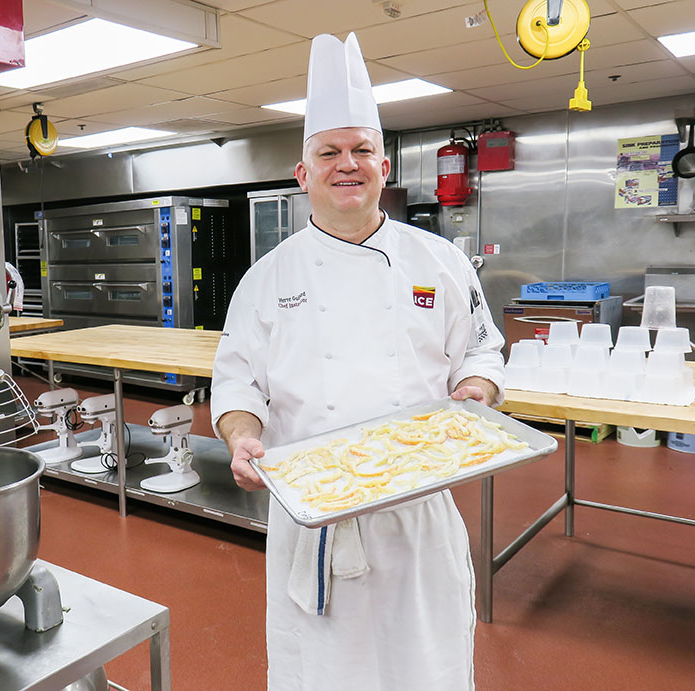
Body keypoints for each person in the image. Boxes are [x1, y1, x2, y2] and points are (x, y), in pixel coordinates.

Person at [210, 33, 505, 690]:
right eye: (329, 152)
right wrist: (241, 433)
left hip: (418, 514)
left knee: (426, 666)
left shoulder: (439, 262)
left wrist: (477, 393)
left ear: (383, 166)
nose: (347, 163)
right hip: (315, 516)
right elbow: (235, 381)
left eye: (361, 150)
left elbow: (481, 349)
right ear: (303, 174)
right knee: (322, 670)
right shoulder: (265, 278)